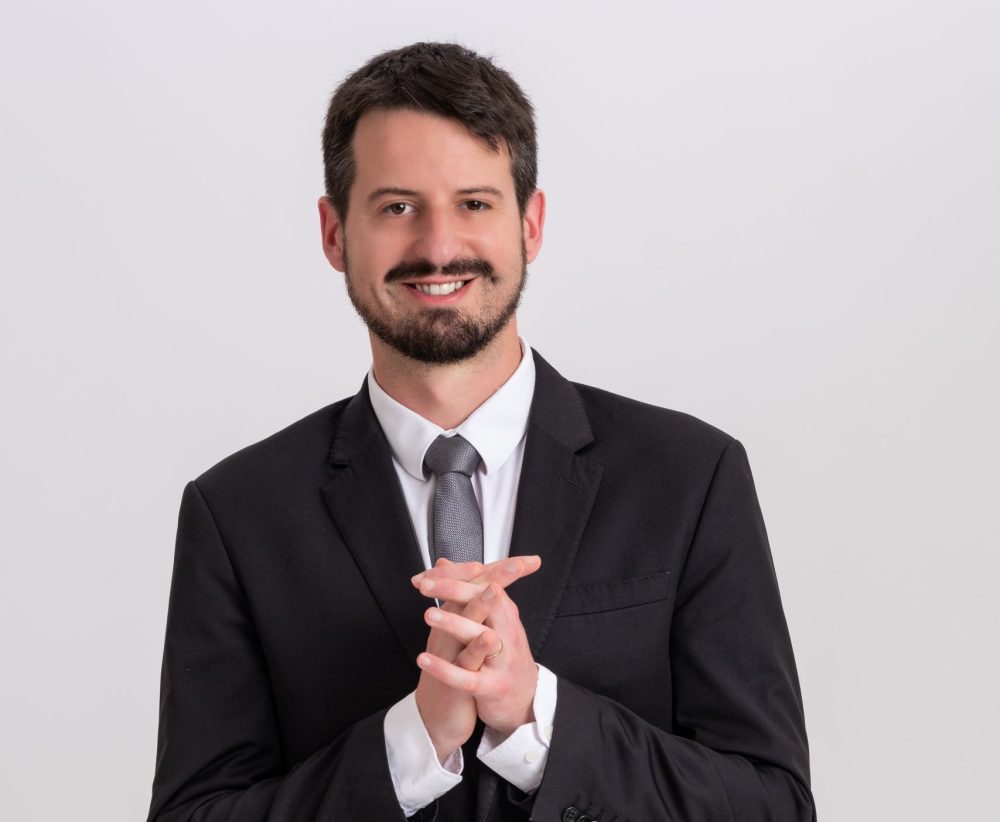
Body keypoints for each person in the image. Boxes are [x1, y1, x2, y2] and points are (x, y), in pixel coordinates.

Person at [148, 42, 815, 822]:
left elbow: (772, 805)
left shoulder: (691, 477)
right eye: (397, 207)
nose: (438, 247)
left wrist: (537, 717)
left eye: (474, 203)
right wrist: (412, 744)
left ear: (530, 224)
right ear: (334, 233)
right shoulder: (238, 513)